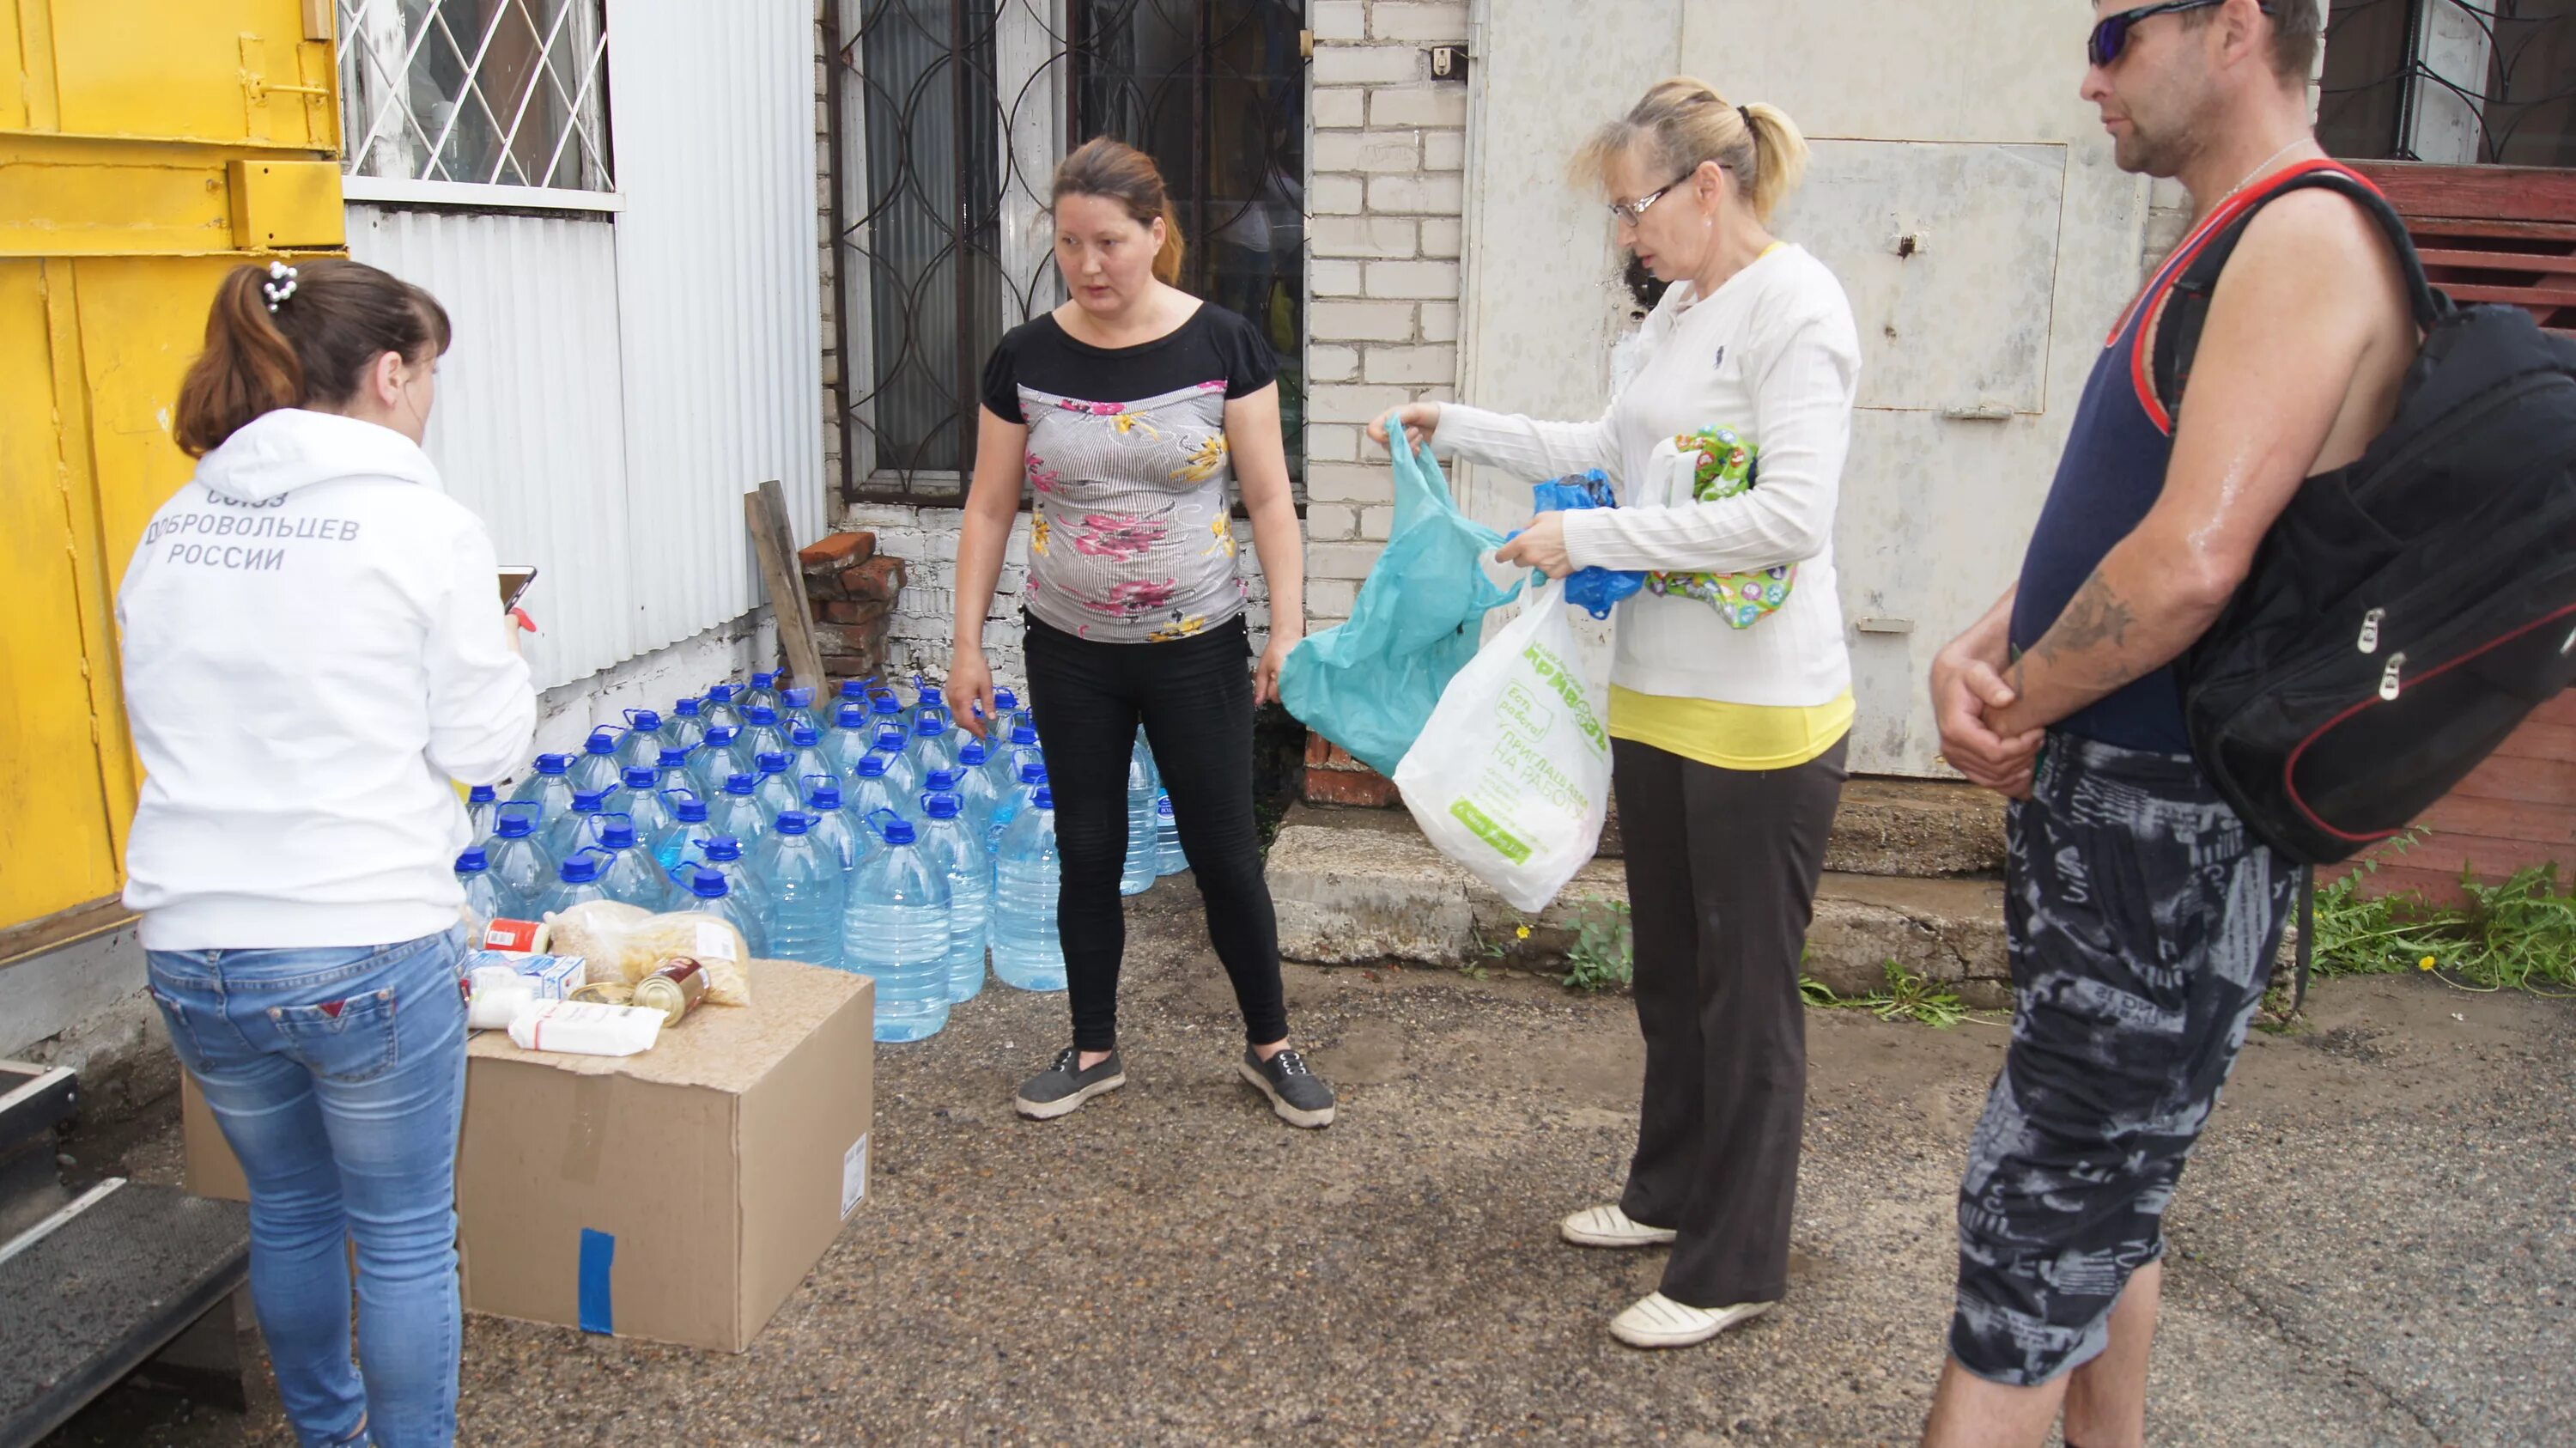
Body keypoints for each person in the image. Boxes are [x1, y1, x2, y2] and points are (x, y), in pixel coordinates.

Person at [1920, 3, 2413, 1444]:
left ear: (2237, 27)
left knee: (2030, 1225)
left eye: (2117, 33)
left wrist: (2016, 706)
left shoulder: (2306, 237)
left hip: (2166, 824)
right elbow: (2141, 519)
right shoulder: (2224, 241)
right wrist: (1991, 636)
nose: (2090, 74)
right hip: (2123, 814)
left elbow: (2194, 562)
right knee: (2101, 1198)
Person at [1373, 78, 1861, 1349]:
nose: (1625, 237)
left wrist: (1587, 531)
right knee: (1673, 974)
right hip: (1658, 695)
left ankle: (1734, 1260)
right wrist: (1463, 423)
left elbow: (1791, 516)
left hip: (1762, 716)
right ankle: (1669, 1190)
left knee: (1746, 993)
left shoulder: (1795, 308)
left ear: (1709, 186)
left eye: (1634, 207)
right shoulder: (1683, 312)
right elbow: (1609, 439)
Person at [122, 258, 535, 1448]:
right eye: (431, 371)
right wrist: (496, 651)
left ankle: (327, 1433)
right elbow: (484, 742)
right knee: (403, 1232)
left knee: (292, 1212)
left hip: (196, 943)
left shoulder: (176, 520)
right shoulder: (421, 522)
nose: (431, 395)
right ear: (390, 372)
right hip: (359, 934)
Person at [944, 137, 1335, 1129]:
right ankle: (1091, 1048)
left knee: (1223, 853)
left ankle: (1272, 1046)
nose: (1088, 265)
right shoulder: (1024, 357)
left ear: (1157, 236)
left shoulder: (1225, 345)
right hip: (1068, 650)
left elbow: (1269, 502)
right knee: (1086, 848)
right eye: (1070, 244)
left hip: (1197, 645)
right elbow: (990, 509)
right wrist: (965, 643)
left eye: (1110, 242)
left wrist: (1286, 629)